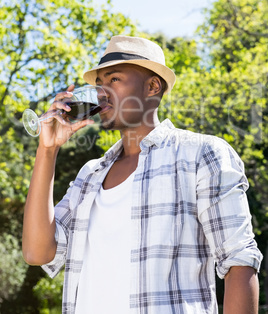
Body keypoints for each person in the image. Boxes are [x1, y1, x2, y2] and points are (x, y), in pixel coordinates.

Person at [22, 35, 263, 314]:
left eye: (114, 80)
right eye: (99, 84)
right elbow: (36, 252)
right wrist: (47, 150)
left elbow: (239, 261)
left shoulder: (201, 154)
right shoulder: (90, 176)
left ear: (151, 86)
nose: (101, 92)